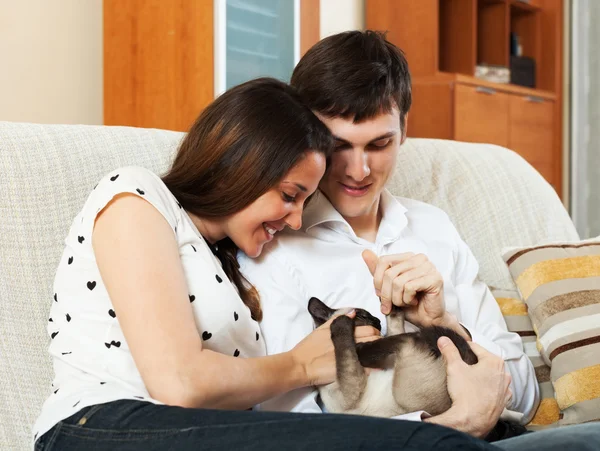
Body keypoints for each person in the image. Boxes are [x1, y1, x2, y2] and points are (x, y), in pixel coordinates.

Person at [32, 77, 500, 451]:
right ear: (244, 165)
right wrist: (302, 365)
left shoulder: (228, 263)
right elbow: (180, 382)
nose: (296, 218)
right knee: (423, 442)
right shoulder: (135, 197)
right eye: (291, 196)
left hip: (190, 430)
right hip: (99, 425)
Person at [238, 31, 539, 439]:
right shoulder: (273, 245)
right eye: (338, 146)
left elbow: (524, 394)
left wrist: (444, 324)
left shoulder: (433, 225)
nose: (358, 171)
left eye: (379, 144)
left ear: (404, 130)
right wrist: (445, 427)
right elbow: (292, 423)